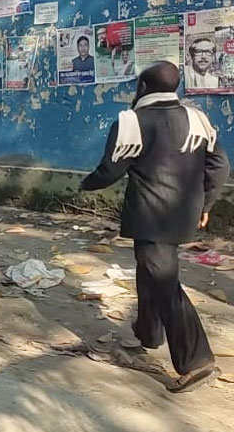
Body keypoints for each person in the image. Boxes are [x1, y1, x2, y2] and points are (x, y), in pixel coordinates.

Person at [81, 61, 228, 393]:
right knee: (149, 269)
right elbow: (219, 166)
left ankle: (196, 361)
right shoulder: (197, 118)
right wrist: (205, 203)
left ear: (142, 88)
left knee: (164, 281)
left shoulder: (132, 121)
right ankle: (148, 332)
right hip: (185, 215)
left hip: (150, 216)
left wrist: (86, 184)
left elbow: (111, 170)